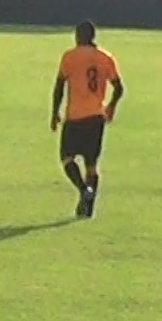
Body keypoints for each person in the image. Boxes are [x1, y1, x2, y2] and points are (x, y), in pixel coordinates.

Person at [50, 21, 124, 220]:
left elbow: (59, 86)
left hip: (74, 117)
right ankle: (88, 209)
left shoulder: (69, 57)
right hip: (96, 119)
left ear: (77, 36)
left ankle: (84, 190)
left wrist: (54, 113)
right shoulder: (105, 58)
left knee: (67, 159)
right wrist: (110, 106)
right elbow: (119, 88)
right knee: (92, 166)